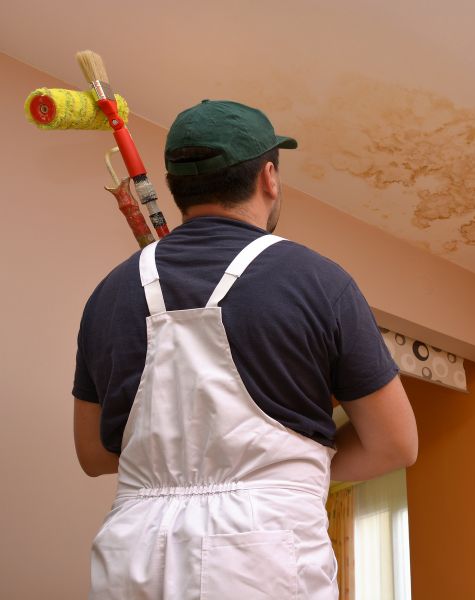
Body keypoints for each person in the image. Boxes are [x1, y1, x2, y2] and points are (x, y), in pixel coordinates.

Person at [72, 99, 418, 599]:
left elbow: (92, 454)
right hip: (262, 553)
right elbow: (395, 443)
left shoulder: (108, 294)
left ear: (176, 186)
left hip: (135, 555)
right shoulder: (317, 280)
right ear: (269, 177)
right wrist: (291, 475)